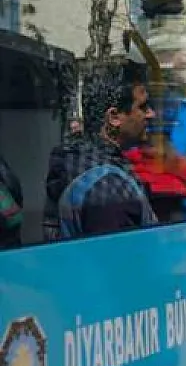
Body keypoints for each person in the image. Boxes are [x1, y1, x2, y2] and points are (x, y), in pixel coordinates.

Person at [43, 62, 158, 240]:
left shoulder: (82, 160)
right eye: (142, 107)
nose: (151, 114)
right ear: (114, 117)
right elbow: (119, 262)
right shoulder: (108, 190)